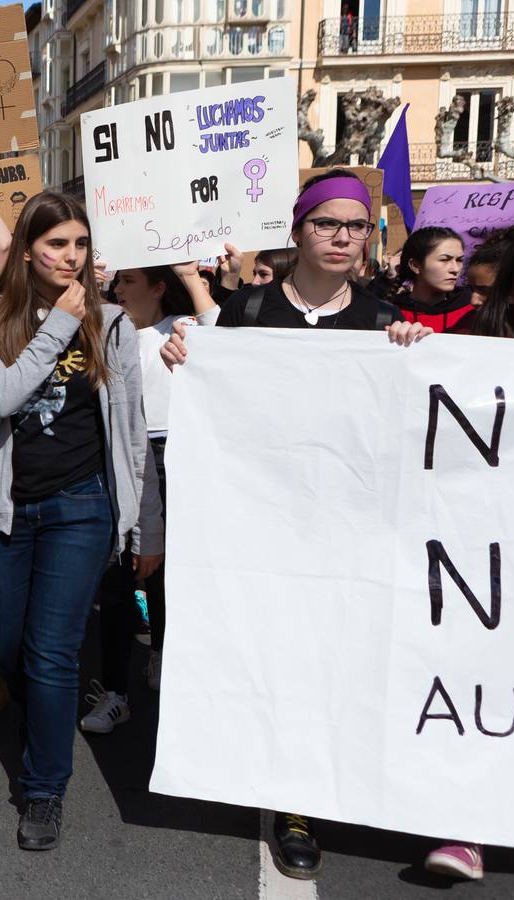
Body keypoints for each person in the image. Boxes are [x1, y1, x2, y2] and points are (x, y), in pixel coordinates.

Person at [161, 168, 433, 880]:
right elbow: (206, 387)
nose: (341, 237)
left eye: (354, 225)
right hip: (261, 527)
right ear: (297, 230)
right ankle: (292, 801)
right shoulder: (244, 314)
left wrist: (412, 352)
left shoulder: (382, 323)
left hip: (348, 531)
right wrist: (185, 356)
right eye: (325, 223)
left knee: (333, 658)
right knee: (274, 654)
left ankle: (325, 782)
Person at [0, 138, 164, 852]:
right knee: (3, 644)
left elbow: (128, 428)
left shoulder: (115, 323)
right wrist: (61, 320)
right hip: (4, 507)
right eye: (57, 242)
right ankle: (25, 707)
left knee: (54, 652)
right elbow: (0, 396)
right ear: (30, 249)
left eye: (81, 244)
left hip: (81, 505)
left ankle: (43, 790)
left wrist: (141, 523)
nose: (71, 255)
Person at [414, 226, 514, 882]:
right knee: (492, 684)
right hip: (496, 553)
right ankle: (468, 826)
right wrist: (411, 355)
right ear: (511, 290)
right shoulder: (470, 350)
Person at [79, 263, 216, 736]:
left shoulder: (180, 329)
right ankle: (116, 692)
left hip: (173, 454)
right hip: (118, 455)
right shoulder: (105, 332)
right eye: (115, 282)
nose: (118, 288)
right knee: (119, 574)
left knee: (164, 568)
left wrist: (193, 280)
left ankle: (163, 651)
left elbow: (223, 338)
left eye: (129, 281)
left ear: (159, 289)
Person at [387, 227, 473, 333]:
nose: (455, 269)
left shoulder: (473, 311)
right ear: (415, 265)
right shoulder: (387, 313)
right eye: (444, 260)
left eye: (459, 260)